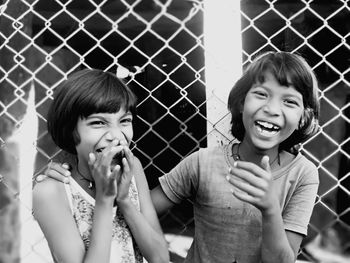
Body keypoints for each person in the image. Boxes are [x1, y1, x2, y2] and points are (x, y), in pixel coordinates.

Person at [37, 51, 320, 263]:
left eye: (289, 101)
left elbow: (282, 260)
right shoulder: (202, 163)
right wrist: (75, 166)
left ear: (304, 116)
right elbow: (146, 207)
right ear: (241, 101)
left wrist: (270, 209)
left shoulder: (303, 175)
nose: (272, 109)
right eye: (261, 94)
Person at [32, 69, 169, 263]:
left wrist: (123, 200)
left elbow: (160, 258)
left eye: (125, 121)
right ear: (69, 129)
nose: (116, 135)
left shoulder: (132, 167)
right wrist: (105, 201)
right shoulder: (51, 192)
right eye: (98, 123)